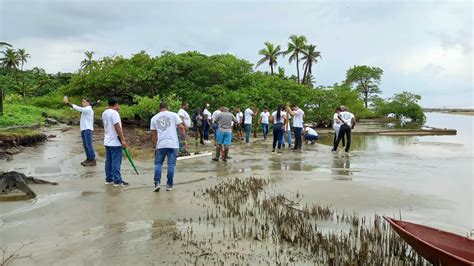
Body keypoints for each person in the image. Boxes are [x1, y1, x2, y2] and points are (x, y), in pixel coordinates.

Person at [150, 102, 186, 192]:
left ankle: (157, 183)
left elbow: (153, 135)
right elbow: (181, 127)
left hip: (161, 145)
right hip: (173, 144)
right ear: (167, 107)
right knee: (171, 164)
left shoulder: (154, 118)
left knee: (158, 164)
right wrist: (184, 139)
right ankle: (169, 185)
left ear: (159, 108)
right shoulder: (174, 115)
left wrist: (155, 146)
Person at [102, 98, 129, 186]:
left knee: (109, 161)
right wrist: (123, 140)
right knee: (116, 161)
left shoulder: (105, 113)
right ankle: (117, 180)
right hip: (115, 141)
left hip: (107, 140)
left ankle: (109, 179)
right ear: (116, 104)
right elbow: (117, 126)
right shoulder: (114, 113)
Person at [63, 96, 96, 166]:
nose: (82, 102)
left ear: (88, 103)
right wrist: (69, 105)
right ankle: (88, 158)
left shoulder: (88, 109)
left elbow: (78, 108)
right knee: (85, 145)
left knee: (88, 145)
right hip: (84, 129)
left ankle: (92, 160)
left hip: (87, 129)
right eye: (82, 101)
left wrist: (68, 103)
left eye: (84, 101)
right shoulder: (85, 109)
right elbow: (77, 108)